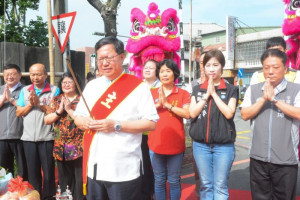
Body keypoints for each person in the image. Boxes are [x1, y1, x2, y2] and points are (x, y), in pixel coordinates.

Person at [74, 36, 159, 200]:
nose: (104, 63)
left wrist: (116, 125)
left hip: (124, 168)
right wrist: (83, 122)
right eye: (100, 59)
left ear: (122, 57)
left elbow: (150, 123)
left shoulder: (138, 87)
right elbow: (78, 117)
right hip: (94, 166)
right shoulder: (92, 86)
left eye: (109, 58)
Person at [241, 49, 300, 200]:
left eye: (275, 67)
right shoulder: (253, 90)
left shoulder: (295, 90)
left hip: (286, 160)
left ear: (285, 69)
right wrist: (262, 99)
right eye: (266, 67)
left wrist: (274, 100)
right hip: (258, 159)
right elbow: (245, 114)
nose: (270, 72)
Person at [189, 49, 238, 200]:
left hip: (223, 147)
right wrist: (206, 96)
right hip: (201, 146)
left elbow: (229, 113)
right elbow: (192, 113)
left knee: (221, 185)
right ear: (203, 68)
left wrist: (215, 94)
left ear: (222, 66)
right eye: (208, 65)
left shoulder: (231, 89)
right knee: (205, 184)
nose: (211, 69)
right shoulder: (197, 90)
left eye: (215, 65)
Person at [148, 59, 190, 200]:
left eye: (168, 71)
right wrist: (159, 105)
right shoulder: (151, 93)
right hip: (155, 144)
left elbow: (187, 114)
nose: (164, 74)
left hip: (176, 146)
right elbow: (143, 114)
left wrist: (167, 104)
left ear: (175, 73)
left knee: (173, 180)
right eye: (161, 71)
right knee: (159, 180)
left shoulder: (183, 93)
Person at [16, 63, 60, 199]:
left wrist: (39, 104)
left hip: (46, 137)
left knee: (48, 172)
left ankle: (48, 197)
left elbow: (54, 111)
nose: (35, 77)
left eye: (39, 74)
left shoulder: (54, 90)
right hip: (28, 138)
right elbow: (19, 112)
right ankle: (35, 196)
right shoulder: (25, 90)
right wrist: (30, 104)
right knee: (32, 172)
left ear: (45, 75)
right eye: (32, 74)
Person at [44, 72, 85, 200]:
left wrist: (69, 110)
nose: (66, 85)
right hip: (60, 146)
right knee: (63, 179)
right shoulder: (56, 100)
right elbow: (47, 120)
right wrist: (59, 111)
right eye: (64, 82)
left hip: (78, 146)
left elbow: (86, 121)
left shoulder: (82, 100)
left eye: (69, 82)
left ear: (76, 84)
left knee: (78, 178)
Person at [0, 64, 27, 179]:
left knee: (23, 169)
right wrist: (3, 99)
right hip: (2, 137)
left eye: (12, 74)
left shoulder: (25, 90)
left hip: (20, 136)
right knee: (3, 171)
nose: (9, 77)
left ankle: (23, 193)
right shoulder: (0, 90)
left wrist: (11, 100)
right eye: (6, 74)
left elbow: (27, 109)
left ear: (19, 75)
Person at [141, 59, 161, 200]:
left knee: (156, 166)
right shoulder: (137, 87)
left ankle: (155, 193)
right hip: (140, 132)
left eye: (151, 68)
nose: (147, 70)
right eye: (145, 67)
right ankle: (145, 193)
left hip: (156, 131)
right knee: (143, 164)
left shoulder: (162, 87)